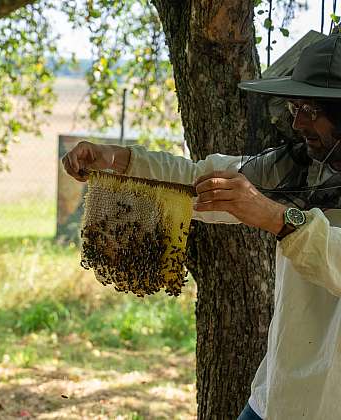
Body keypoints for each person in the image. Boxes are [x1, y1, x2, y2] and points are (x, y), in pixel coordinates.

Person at [62, 33, 341, 420]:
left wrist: (276, 216)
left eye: (310, 109)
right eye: (295, 107)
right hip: (275, 397)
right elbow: (201, 181)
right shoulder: (304, 165)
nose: (297, 122)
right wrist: (119, 160)